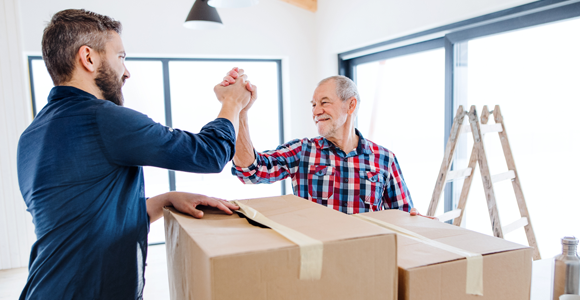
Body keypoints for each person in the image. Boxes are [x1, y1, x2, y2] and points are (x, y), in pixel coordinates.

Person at [16, 9, 251, 300]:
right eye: (121, 57)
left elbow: (82, 221)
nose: (126, 71)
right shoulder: (103, 119)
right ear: (88, 58)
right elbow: (208, 154)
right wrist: (232, 104)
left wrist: (164, 200)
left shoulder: (32, 135)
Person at [224, 71, 420, 215]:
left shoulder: (385, 159)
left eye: (324, 102)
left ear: (351, 105)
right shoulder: (302, 151)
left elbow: (403, 216)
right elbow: (250, 172)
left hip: (365, 262)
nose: (316, 111)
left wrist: (419, 221)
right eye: (314, 104)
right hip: (315, 263)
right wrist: (240, 111)